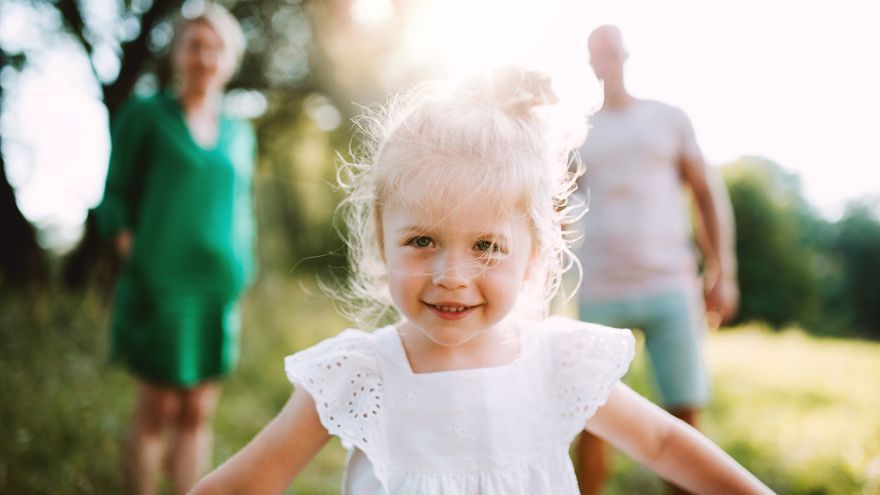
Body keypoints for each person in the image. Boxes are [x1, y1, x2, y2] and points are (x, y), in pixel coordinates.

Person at [189, 66, 769, 495]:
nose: (451, 276)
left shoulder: (556, 362)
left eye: (487, 247)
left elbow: (663, 443)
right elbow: (245, 484)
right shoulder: (359, 374)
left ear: (534, 252)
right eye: (421, 241)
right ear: (380, 238)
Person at [95, 5, 256, 494]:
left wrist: (242, 270)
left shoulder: (240, 131)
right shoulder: (146, 115)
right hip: (159, 284)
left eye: (216, 48)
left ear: (231, 59)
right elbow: (115, 196)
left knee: (197, 411)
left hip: (216, 290)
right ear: (176, 54)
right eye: (195, 45)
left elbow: (244, 207)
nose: (205, 57)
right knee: (156, 410)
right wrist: (135, 255)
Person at [573, 25, 740, 494]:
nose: (604, 59)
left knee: (684, 417)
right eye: (595, 53)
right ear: (589, 63)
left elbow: (707, 194)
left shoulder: (668, 119)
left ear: (625, 53)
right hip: (601, 289)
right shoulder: (578, 131)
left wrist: (723, 272)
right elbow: (550, 210)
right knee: (588, 417)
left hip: (670, 285)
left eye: (610, 49)